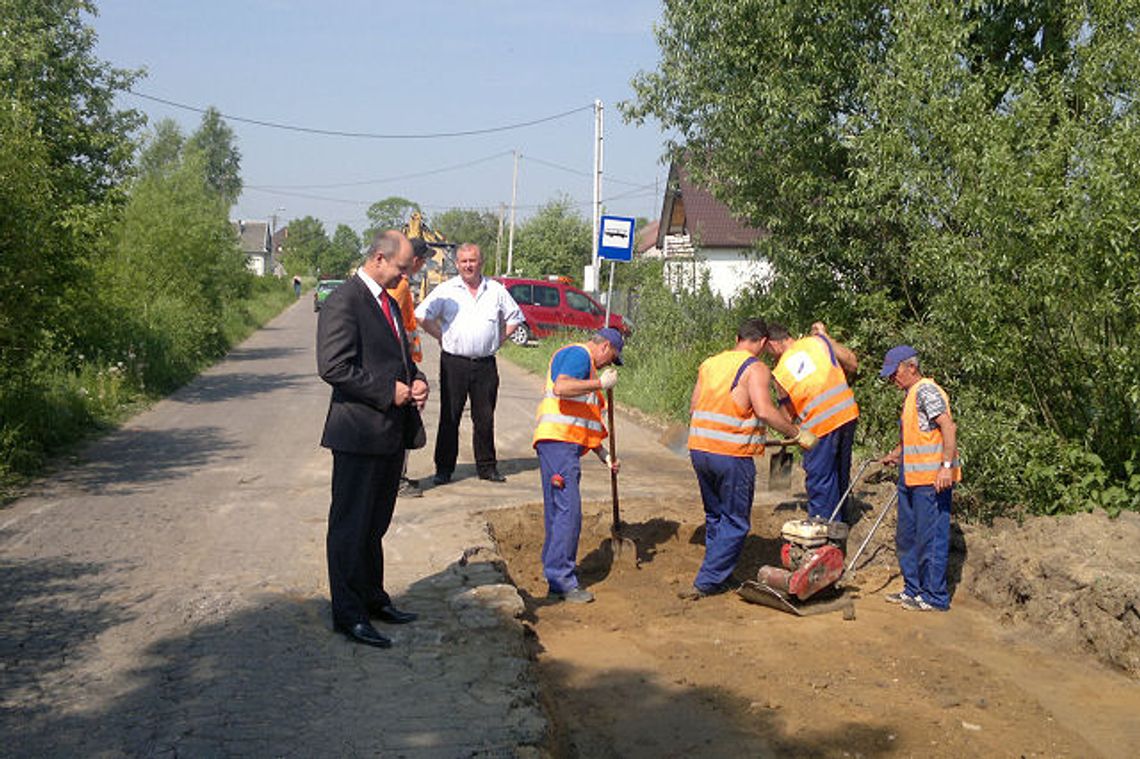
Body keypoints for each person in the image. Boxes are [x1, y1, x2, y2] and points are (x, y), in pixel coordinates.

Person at [317, 230, 429, 648]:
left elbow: (399, 357)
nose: (407, 277)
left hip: (388, 433)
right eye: (402, 268)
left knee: (374, 525)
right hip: (358, 432)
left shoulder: (389, 302)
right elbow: (333, 366)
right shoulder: (345, 300)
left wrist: (416, 381)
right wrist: (389, 391)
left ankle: (373, 598)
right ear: (379, 259)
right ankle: (348, 614)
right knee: (350, 527)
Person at [682, 319, 817, 600]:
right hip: (731, 455)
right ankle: (707, 581)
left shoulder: (710, 363)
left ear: (737, 337)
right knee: (735, 520)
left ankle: (718, 573)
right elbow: (765, 411)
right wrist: (797, 433)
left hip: (699, 449)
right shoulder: (755, 368)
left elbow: (694, 406)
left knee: (716, 515)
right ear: (764, 343)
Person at [415, 242, 523, 485]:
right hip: (454, 363)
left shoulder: (495, 289)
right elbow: (422, 315)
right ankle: (443, 469)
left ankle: (487, 468)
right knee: (449, 417)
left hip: (485, 364)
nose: (468, 265)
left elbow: (515, 317)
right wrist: (441, 336)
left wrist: (498, 339)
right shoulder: (446, 289)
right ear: (457, 264)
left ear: (480, 262)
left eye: (472, 261)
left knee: (484, 418)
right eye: (463, 261)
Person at [533, 328, 625, 603]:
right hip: (558, 445)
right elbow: (561, 387)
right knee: (568, 511)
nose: (609, 364)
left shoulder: (585, 364)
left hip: (561, 445)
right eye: (612, 358)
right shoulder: (579, 355)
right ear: (605, 346)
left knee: (559, 510)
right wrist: (600, 385)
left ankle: (555, 572)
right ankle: (561, 580)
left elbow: (581, 418)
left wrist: (603, 454)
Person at [878, 345, 960, 612]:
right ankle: (913, 590)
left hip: (931, 478)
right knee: (908, 537)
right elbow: (919, 437)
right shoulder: (911, 395)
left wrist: (946, 467)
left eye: (895, 373)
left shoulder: (926, 390)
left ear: (911, 367)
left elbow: (948, 427)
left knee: (930, 539)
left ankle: (934, 596)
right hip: (911, 477)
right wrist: (896, 454)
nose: (893, 379)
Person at [763, 321, 860, 522]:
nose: (770, 355)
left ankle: (822, 533)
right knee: (839, 473)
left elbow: (787, 416)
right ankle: (842, 521)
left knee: (820, 479)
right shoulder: (818, 343)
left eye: (768, 351)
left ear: (772, 345)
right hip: (847, 414)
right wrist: (826, 336)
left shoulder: (781, 372)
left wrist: (787, 432)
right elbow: (852, 362)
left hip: (819, 426)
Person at [386, 238, 432, 498]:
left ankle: (396, 476)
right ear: (415, 260)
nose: (424, 265)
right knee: (403, 422)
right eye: (423, 260)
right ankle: (397, 478)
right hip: (402, 366)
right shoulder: (401, 287)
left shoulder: (401, 286)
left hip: (406, 365)